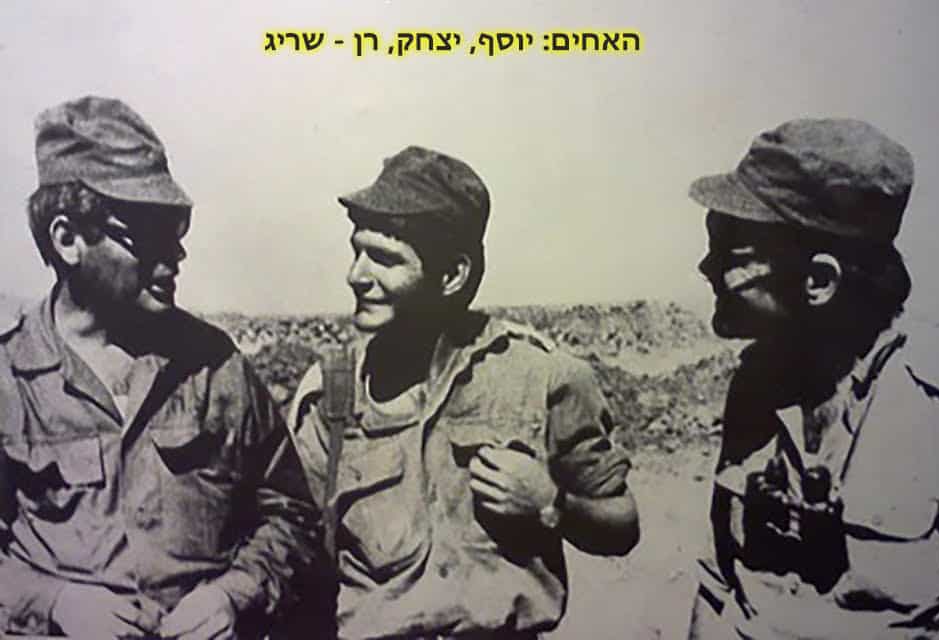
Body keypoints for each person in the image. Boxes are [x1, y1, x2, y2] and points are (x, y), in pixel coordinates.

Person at [287, 145, 639, 639]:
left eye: (384, 259)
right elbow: (291, 540)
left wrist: (551, 504)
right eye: (357, 251)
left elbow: (621, 525)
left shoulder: (541, 377)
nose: (357, 276)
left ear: (452, 275)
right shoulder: (332, 396)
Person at [0, 96, 320, 639]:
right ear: (68, 240)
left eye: (176, 231)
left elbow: (292, 516)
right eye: (147, 235)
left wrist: (234, 594)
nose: (175, 256)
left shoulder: (215, 366)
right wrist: (56, 603)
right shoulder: (10, 380)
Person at [687, 118, 939, 639]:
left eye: (730, 253)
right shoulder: (755, 385)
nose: (705, 267)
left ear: (819, 280)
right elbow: (718, 585)